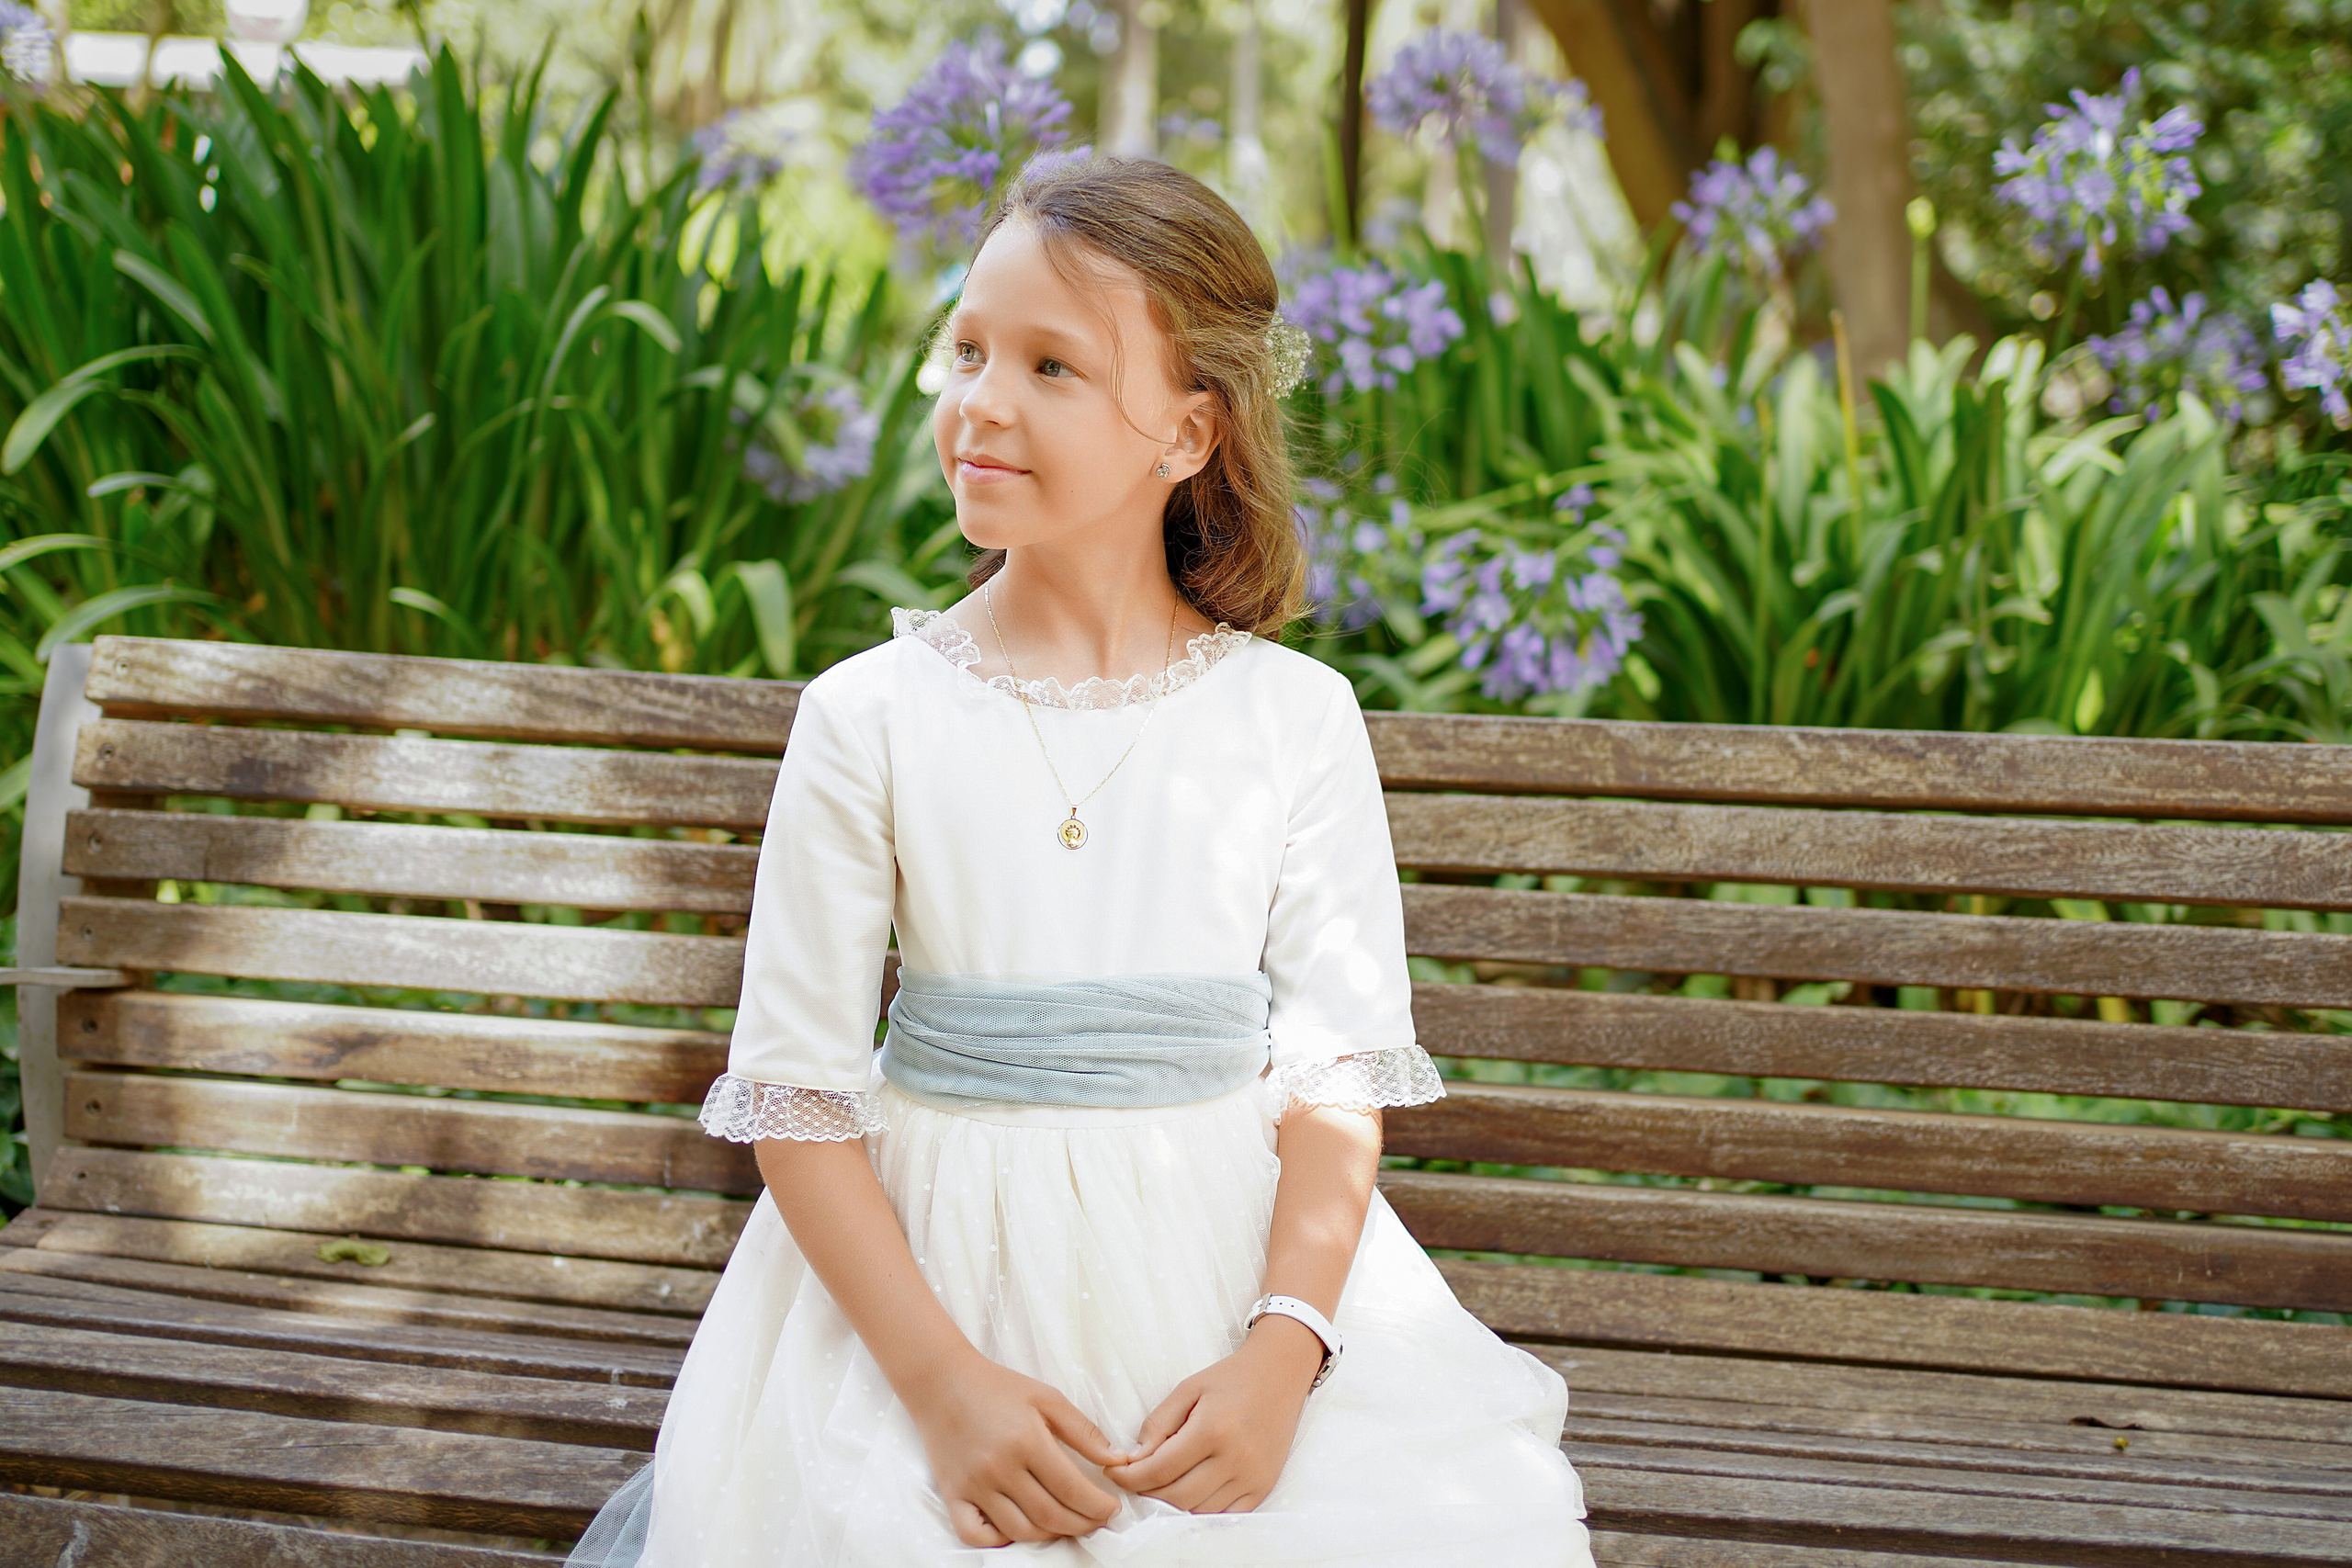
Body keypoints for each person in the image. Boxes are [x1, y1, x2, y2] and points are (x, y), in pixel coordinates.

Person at [567, 154, 1593, 1568]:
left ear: (1188, 432)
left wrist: (1284, 1356)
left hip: (1223, 1285)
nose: (980, 398)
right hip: (930, 1294)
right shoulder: (867, 717)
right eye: (968, 347)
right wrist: (945, 1390)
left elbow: (1337, 1077)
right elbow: (797, 1098)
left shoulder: (1293, 718)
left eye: (1053, 366)